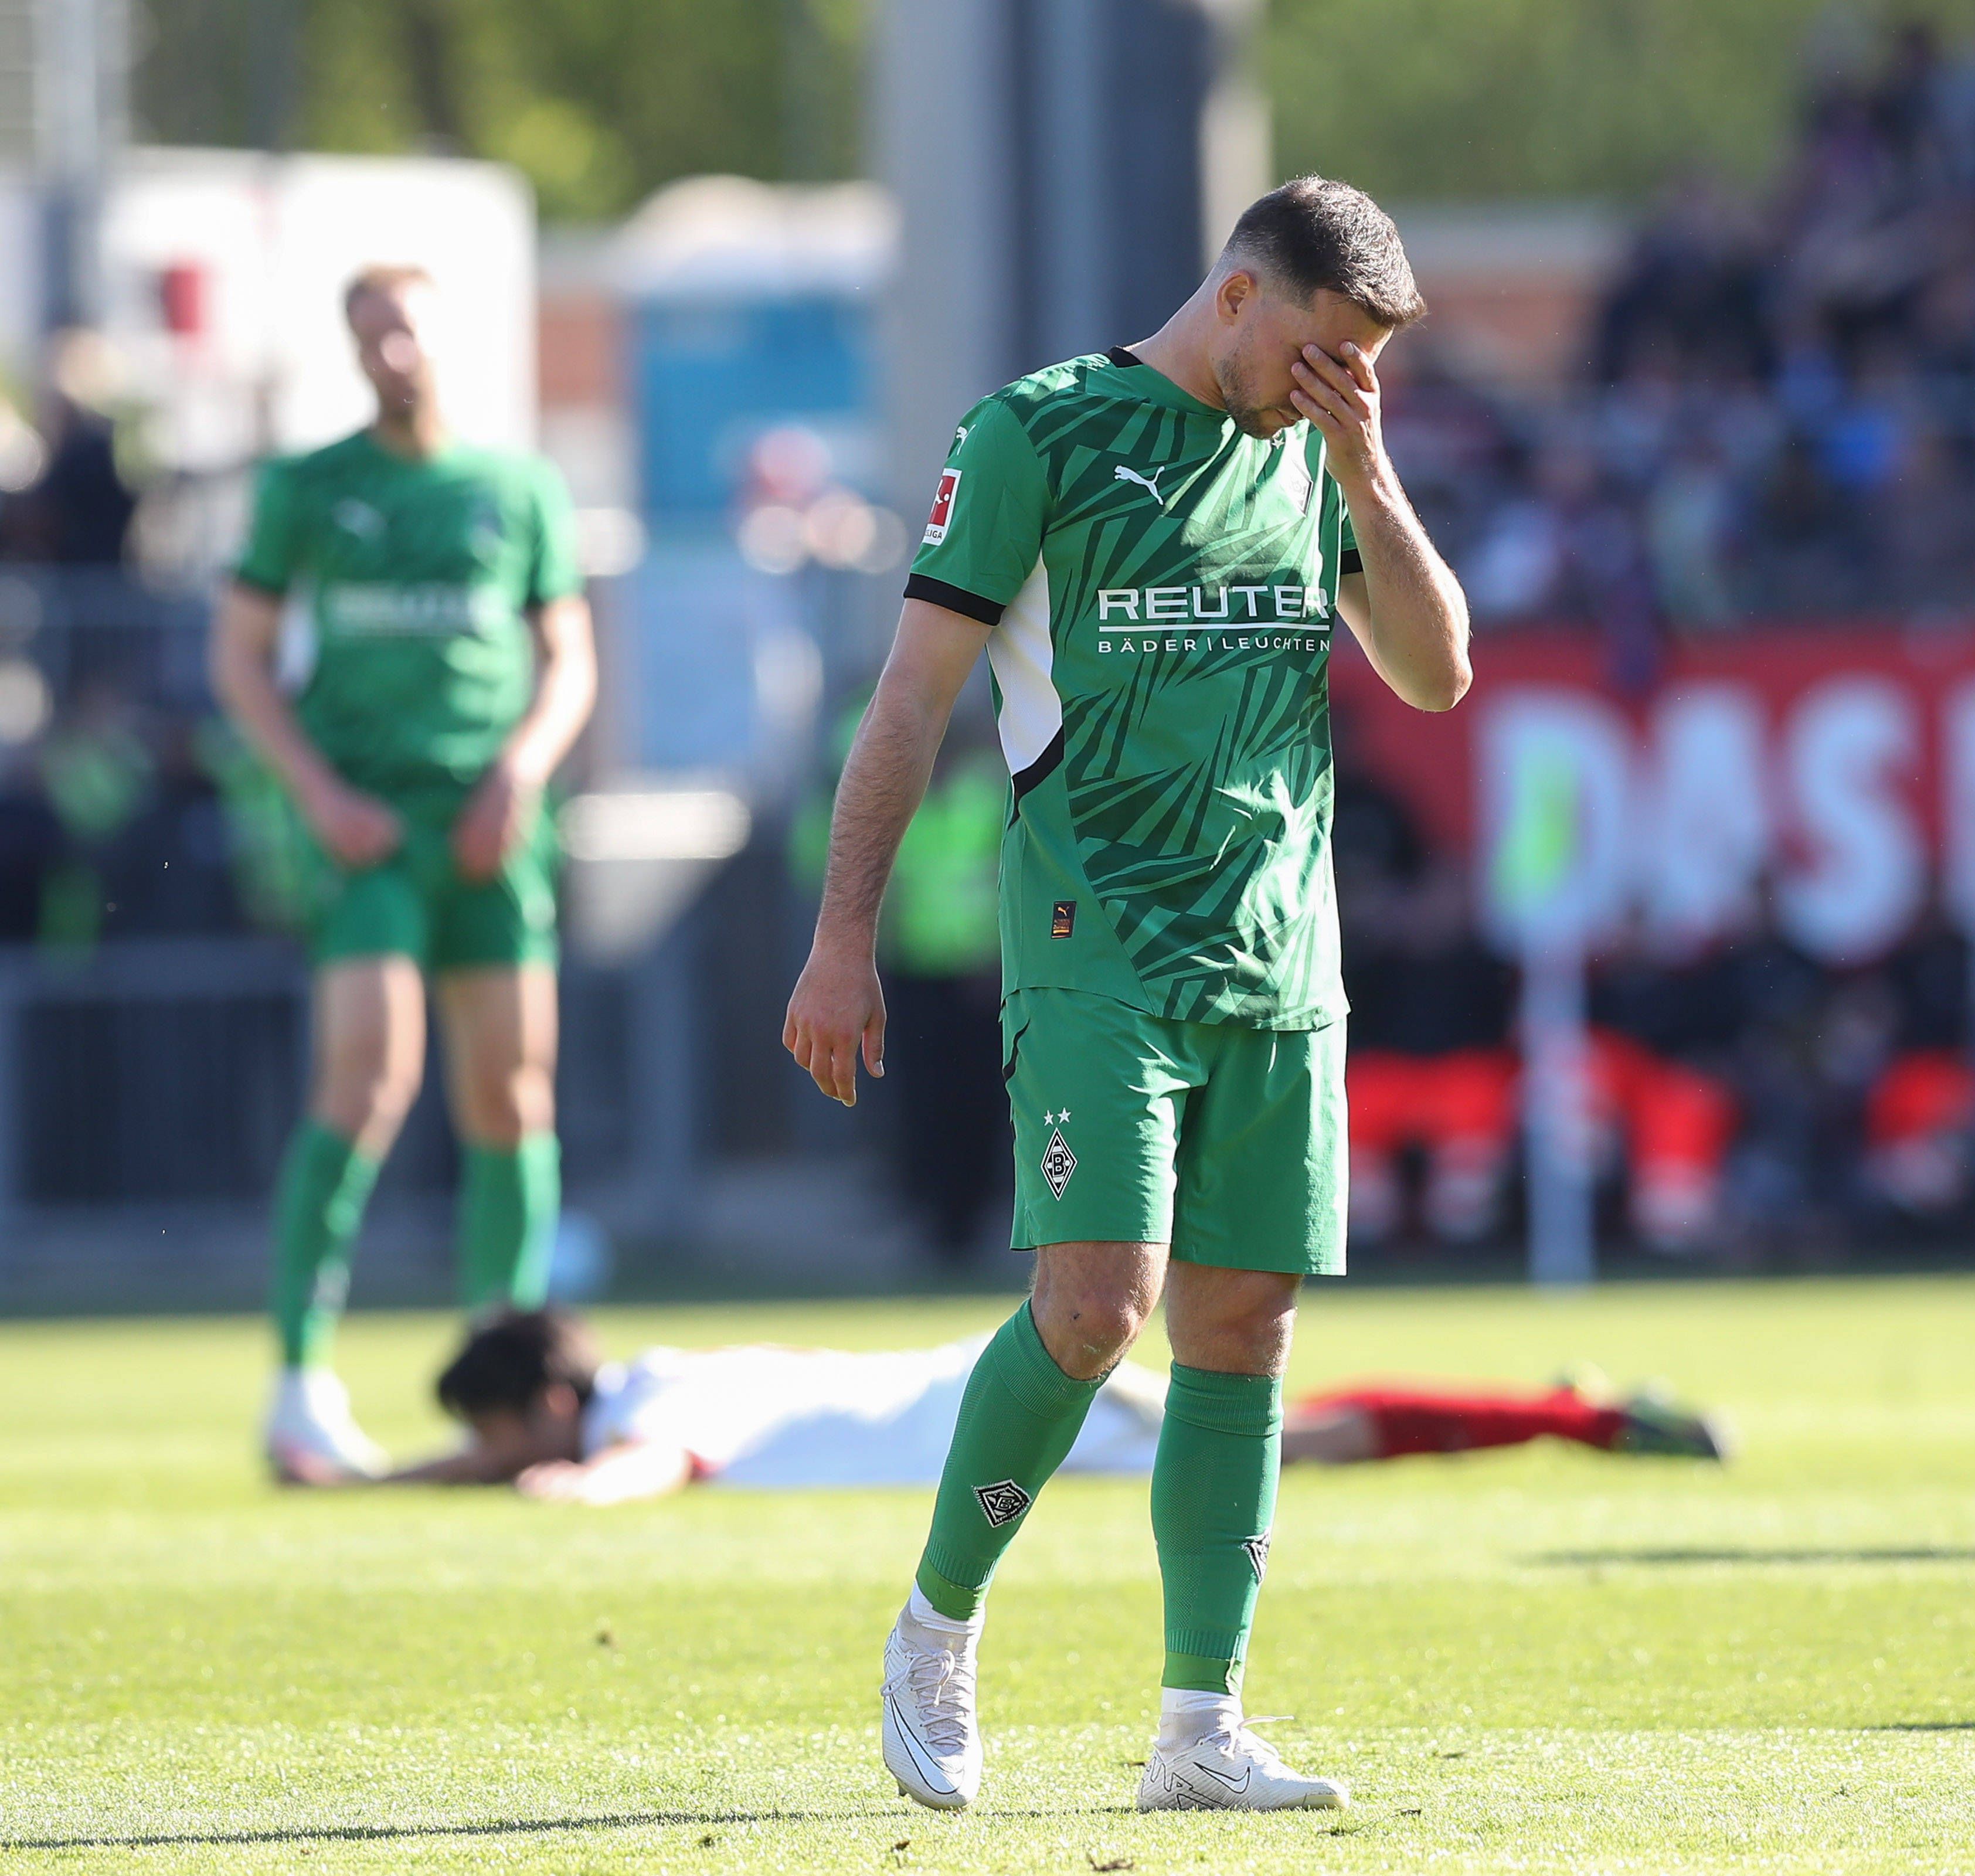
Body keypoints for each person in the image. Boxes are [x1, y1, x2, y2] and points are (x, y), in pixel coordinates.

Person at [783, 176, 1473, 1814]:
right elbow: (910, 702)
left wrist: (1367, 465)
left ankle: (1198, 1729)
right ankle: (936, 1627)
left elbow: (1438, 672)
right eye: (1323, 350)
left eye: (1367, 365)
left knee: (1241, 1327)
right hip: (1095, 947)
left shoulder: (1321, 457)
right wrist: (840, 935)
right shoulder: (1037, 433)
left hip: (1280, 958)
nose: (1337, 384)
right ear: (1238, 297)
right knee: (1098, 1306)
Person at [209, 264, 597, 1482]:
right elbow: (240, 657)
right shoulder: (308, 488)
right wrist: (317, 792)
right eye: (369, 336)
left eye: (406, 333)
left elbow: (568, 657)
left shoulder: (517, 488)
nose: (390, 355)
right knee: (368, 1077)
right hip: (370, 832)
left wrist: (520, 772)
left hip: (489, 827)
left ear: (444, 337)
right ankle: (298, 1382)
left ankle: (507, 1374)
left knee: (513, 1099)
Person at [284, 1307, 1728, 1500]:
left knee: (1301, 1441)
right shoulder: (639, 1378)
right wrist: (367, 1484)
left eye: (501, 1436)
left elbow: (660, 1460)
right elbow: (504, 1457)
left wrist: (581, 1492)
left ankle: (1579, 1418)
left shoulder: (654, 1404)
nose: (496, 1460)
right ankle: (1553, 1407)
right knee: (1285, 1427)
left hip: (1021, 1409)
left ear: (551, 1401)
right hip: (1002, 1398)